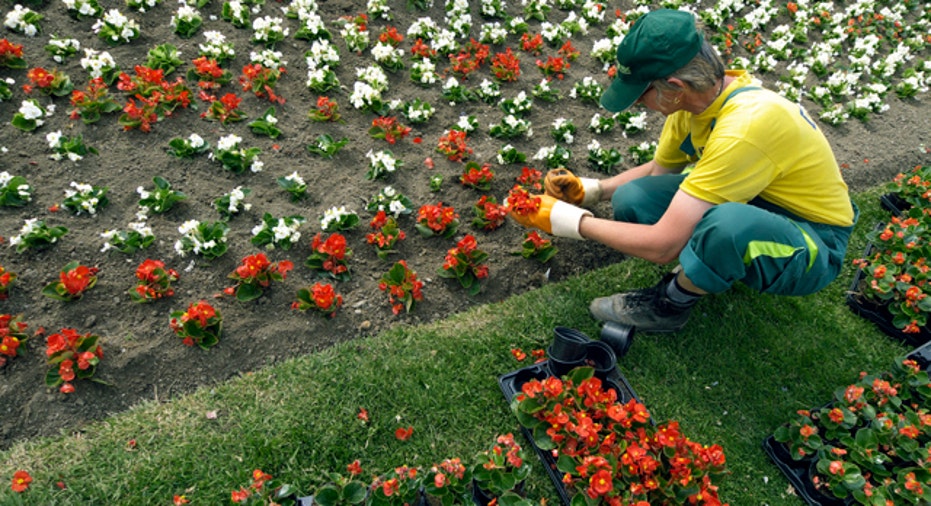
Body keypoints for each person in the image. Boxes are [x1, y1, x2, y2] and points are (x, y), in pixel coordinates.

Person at [509, 8, 857, 332]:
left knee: (727, 228)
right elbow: (658, 175)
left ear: (674, 88)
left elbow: (662, 246)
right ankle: (713, 265)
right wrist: (593, 190)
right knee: (635, 199)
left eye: (641, 94)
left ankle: (670, 304)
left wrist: (569, 221)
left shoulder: (746, 128)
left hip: (814, 241)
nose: (638, 105)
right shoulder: (695, 108)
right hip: (757, 202)